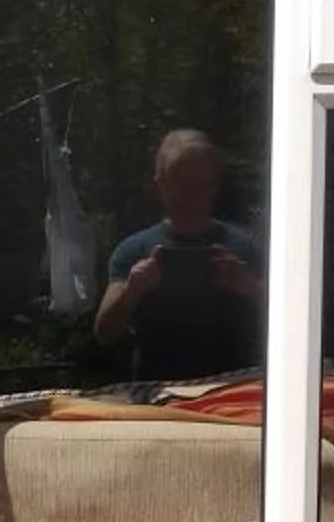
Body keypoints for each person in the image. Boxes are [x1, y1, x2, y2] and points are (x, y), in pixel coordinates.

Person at [94, 128, 267, 382]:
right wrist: (133, 290)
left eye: (200, 185)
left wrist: (250, 287)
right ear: (160, 184)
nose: (190, 195)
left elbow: (296, 322)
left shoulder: (246, 248)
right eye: (181, 184)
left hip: (234, 390)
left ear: (214, 187)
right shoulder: (132, 250)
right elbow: (104, 333)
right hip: (157, 394)